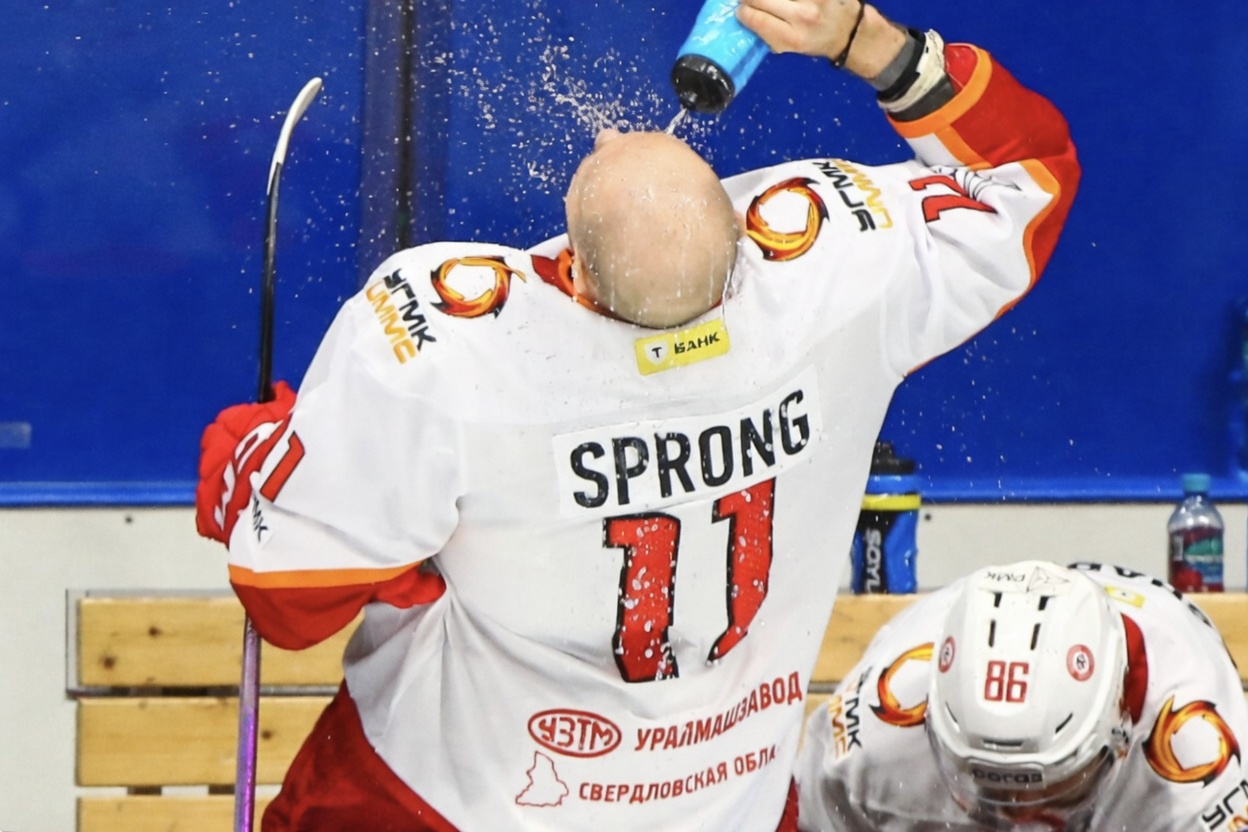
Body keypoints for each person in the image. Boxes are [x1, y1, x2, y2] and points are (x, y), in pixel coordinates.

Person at [194, 0, 1079, 828]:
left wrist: (260, 451)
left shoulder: (452, 352)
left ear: (575, 276)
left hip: (463, 801)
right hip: (725, 801)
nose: (613, 132)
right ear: (747, 243)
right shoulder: (830, 280)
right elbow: (1023, 178)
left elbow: (292, 601)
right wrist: (863, 39)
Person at [796, 560, 1248, 831]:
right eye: (990, 787)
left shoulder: (1200, 767)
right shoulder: (866, 738)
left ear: (1120, 729)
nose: (1019, 818)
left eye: (1053, 789)